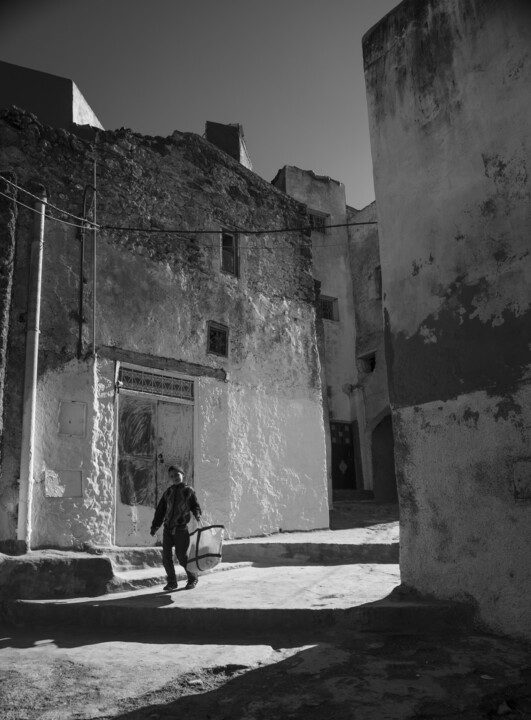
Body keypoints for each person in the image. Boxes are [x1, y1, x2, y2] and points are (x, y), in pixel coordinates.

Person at [150, 465, 202, 591]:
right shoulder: (168, 492)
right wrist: (155, 526)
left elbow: (195, 505)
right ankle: (172, 582)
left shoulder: (188, 491)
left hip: (181, 529)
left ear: (182, 475)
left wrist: (197, 514)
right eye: (172, 476)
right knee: (166, 557)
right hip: (167, 529)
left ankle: (192, 577)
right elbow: (160, 510)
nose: (175, 478)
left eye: (177, 475)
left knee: (182, 557)